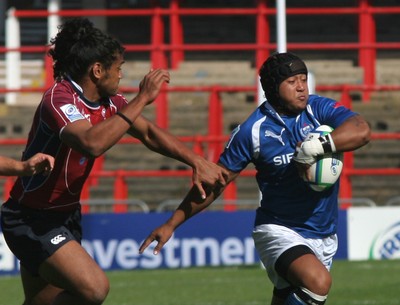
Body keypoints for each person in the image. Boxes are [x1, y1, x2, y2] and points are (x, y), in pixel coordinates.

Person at [0, 18, 227, 305]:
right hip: (31, 218)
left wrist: (196, 161)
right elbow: (91, 143)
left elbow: (148, 133)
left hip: (66, 216)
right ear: (97, 70)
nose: (121, 76)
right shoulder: (58, 99)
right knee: (94, 289)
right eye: (118, 68)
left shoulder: (111, 102)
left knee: (40, 301)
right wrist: (143, 97)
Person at [139, 52, 371, 305]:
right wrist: (171, 223)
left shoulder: (319, 109)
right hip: (280, 230)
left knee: (288, 296)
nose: (302, 87)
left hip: (325, 233)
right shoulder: (253, 131)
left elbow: (361, 130)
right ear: (272, 88)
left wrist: (315, 147)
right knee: (318, 282)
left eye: (303, 79)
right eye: (292, 82)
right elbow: (216, 183)